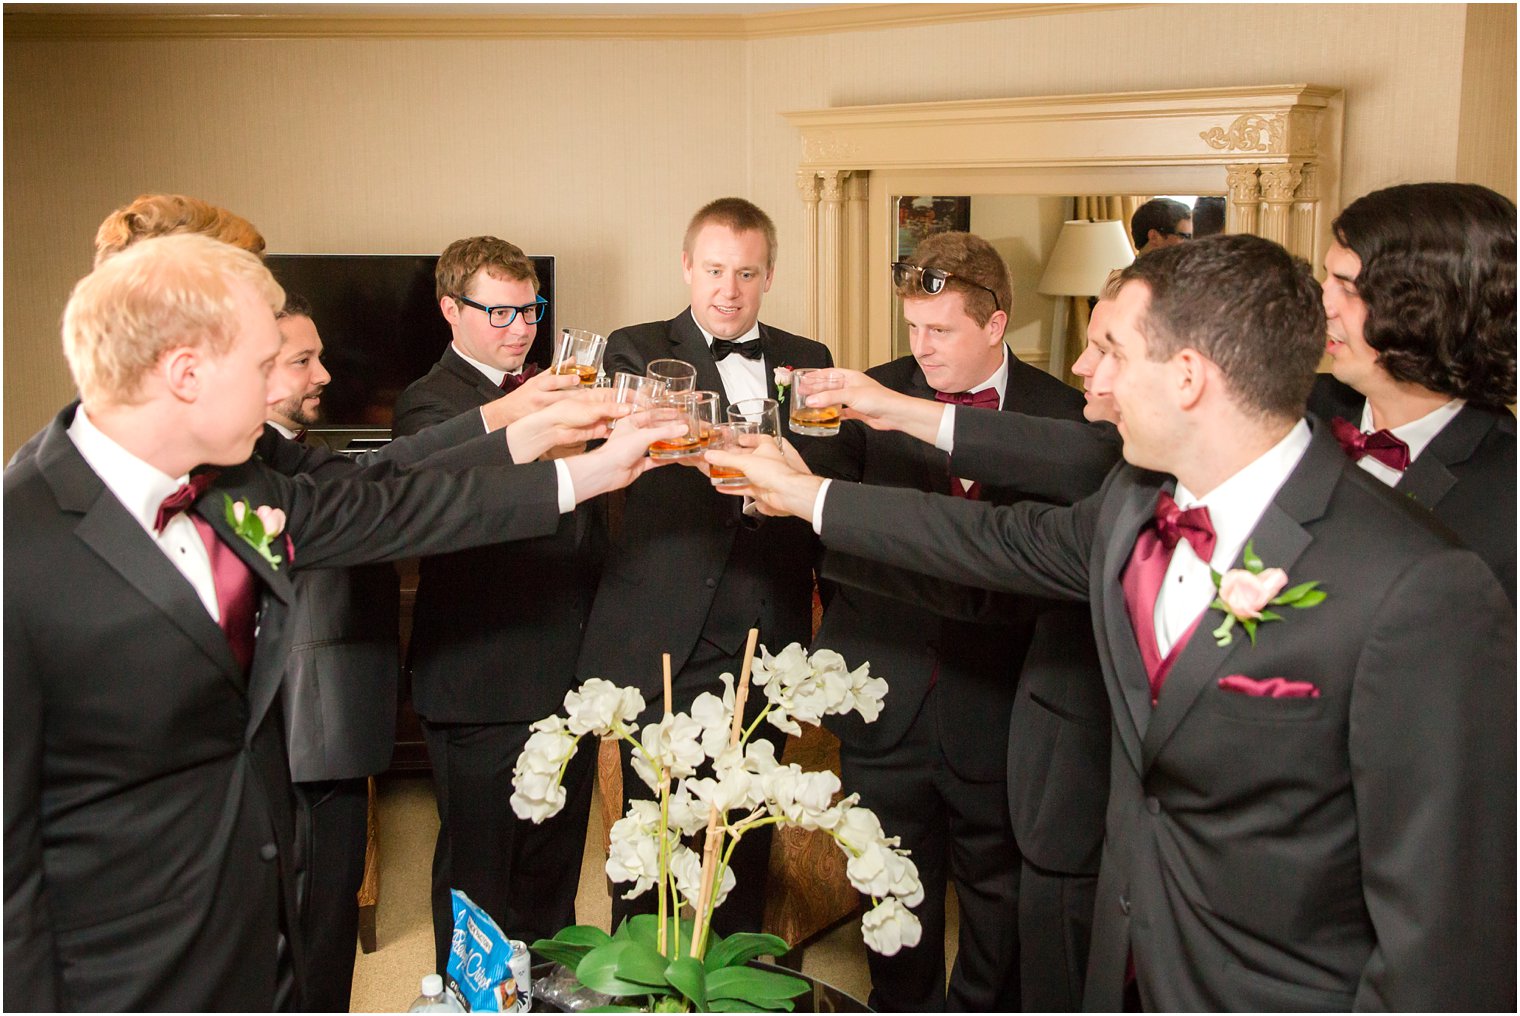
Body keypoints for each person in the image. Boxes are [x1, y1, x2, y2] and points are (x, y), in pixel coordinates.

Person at [711, 233, 1516, 1011]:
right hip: (1118, 948)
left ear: (1189, 376)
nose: (1083, 370)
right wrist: (808, 495)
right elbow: (988, 540)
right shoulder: (1135, 502)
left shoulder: (1417, 584)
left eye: (1114, 352)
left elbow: (1443, 928)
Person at [3, 233, 684, 1011]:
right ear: (185, 374)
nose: (294, 386)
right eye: (269, 368)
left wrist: (594, 469)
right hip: (126, 975)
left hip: (265, 939)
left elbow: (390, 499)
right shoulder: (18, 555)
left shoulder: (238, 480)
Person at [801, 281, 1126, 1009]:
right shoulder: (868, 395)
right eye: (913, 326)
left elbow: (1028, 555)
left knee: (999, 895)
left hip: (1003, 695)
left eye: (941, 329)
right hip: (886, 687)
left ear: (995, 323)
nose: (921, 346)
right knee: (887, 883)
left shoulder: (1067, 412)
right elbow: (829, 539)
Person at [575, 197, 833, 934]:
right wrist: (761, 460)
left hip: (766, 632)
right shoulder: (635, 348)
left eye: (746, 273)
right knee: (649, 842)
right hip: (660, 628)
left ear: (769, 275)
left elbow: (829, 470)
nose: (729, 289)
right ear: (688, 267)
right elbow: (652, 434)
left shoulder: (806, 360)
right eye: (715, 269)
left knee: (745, 833)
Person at [391, 236, 610, 974]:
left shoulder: (556, 388)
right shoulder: (431, 403)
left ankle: (549, 991)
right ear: (451, 310)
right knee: (480, 883)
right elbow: (461, 510)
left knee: (551, 879)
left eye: (530, 309)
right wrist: (535, 424)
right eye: (501, 311)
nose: (521, 327)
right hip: (481, 683)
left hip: (563, 676)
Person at [1309, 181, 1515, 602]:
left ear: (1428, 310)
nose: (1322, 303)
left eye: (1347, 287)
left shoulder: (1506, 493)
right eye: (1326, 278)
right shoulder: (1290, 407)